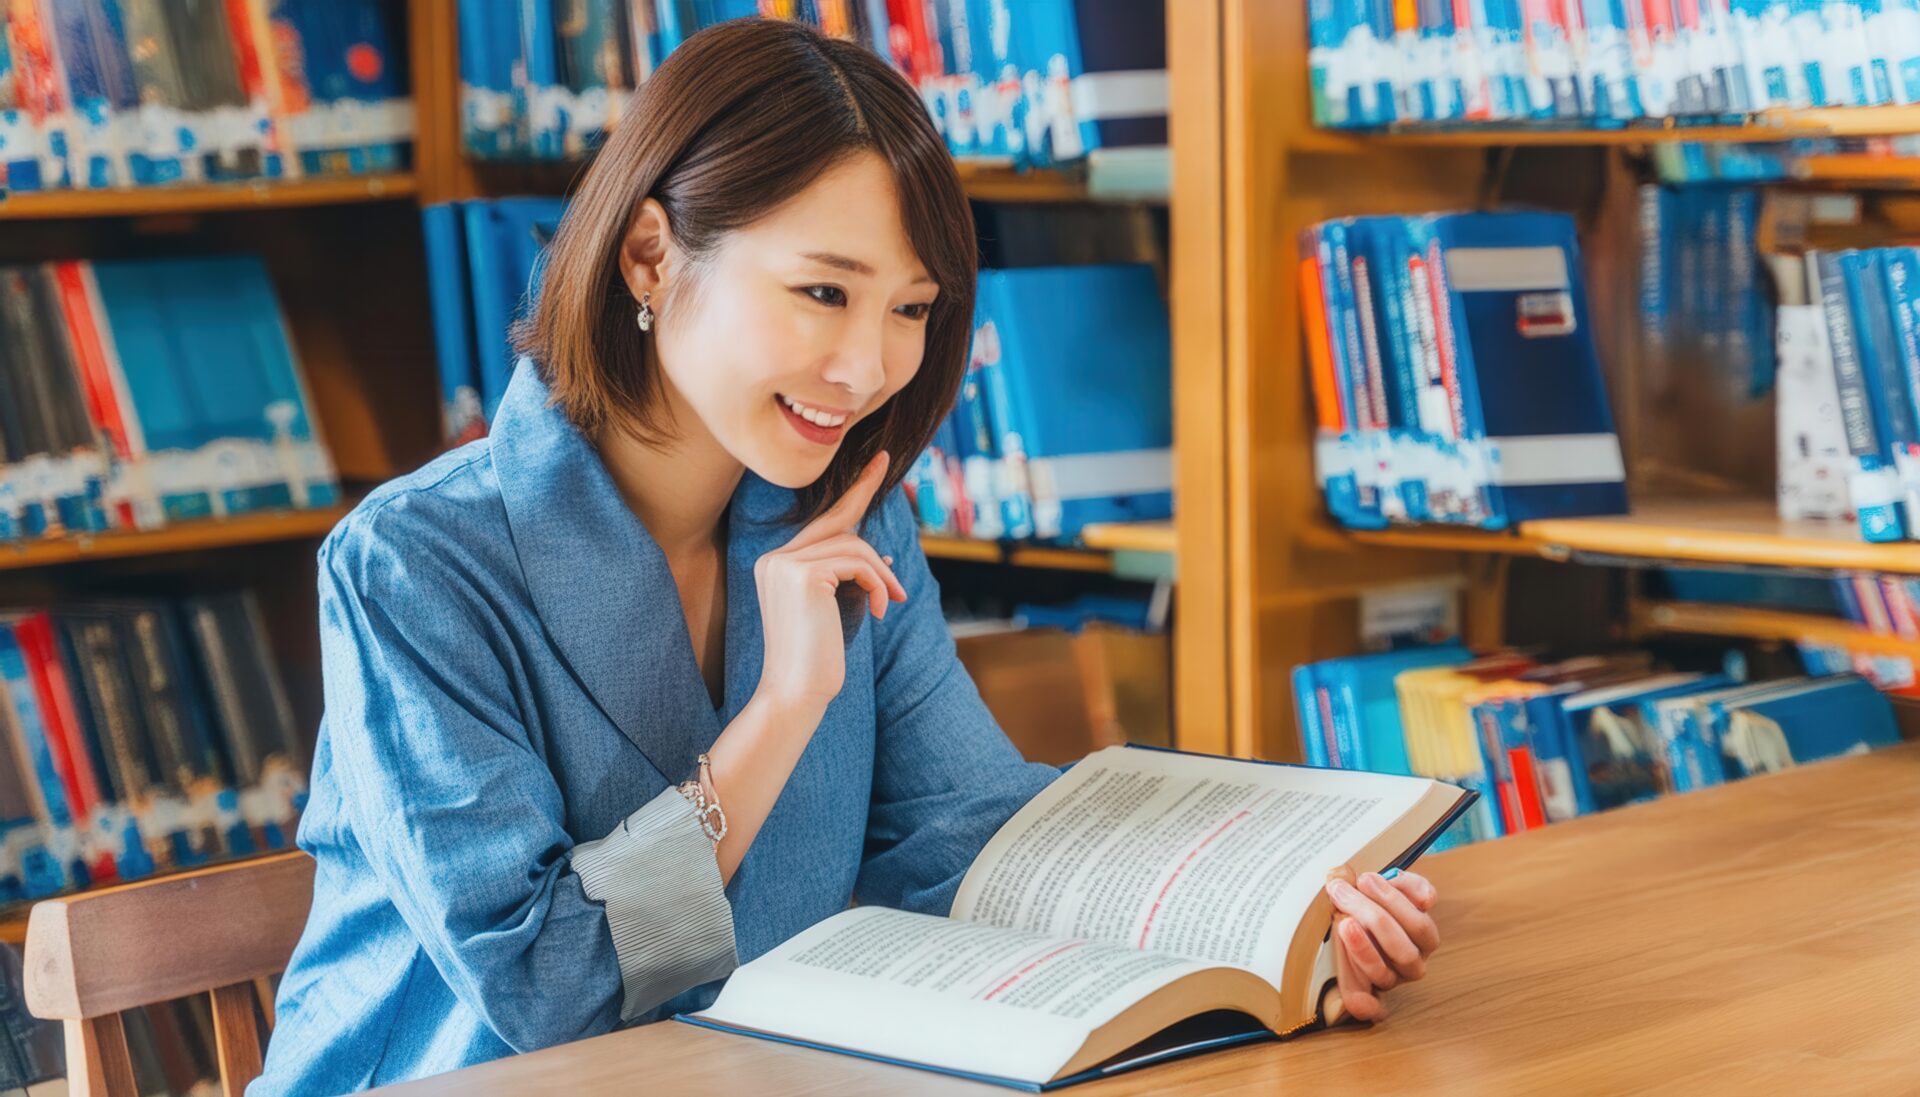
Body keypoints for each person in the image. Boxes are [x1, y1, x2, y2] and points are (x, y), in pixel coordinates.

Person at [251, 18, 1438, 1094]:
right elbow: (548, 989)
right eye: (825, 291)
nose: (869, 369)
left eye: (912, 309)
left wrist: (1275, 928)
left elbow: (967, 840)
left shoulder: (848, 523)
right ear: (651, 258)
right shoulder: (413, 563)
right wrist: (782, 706)